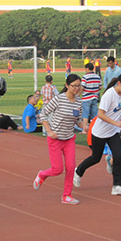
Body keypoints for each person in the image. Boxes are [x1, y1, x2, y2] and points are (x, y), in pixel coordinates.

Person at [73, 73, 121, 196]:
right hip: (100, 132)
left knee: (118, 156)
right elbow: (100, 114)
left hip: (114, 132)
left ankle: (117, 186)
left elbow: (119, 110)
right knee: (95, 157)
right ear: (119, 83)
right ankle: (78, 171)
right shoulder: (109, 95)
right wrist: (116, 123)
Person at [33, 73, 84, 204]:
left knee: (71, 167)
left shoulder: (79, 102)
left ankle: (66, 195)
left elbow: (78, 120)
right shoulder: (59, 99)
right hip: (55, 139)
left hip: (69, 139)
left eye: (79, 86)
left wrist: (84, 126)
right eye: (74, 86)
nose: (76, 88)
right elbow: (43, 113)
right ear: (67, 85)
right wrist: (49, 131)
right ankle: (42, 175)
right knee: (57, 169)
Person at [81, 62, 102, 129]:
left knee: (85, 114)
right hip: (95, 97)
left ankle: (85, 128)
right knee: (94, 115)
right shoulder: (97, 76)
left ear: (87, 68)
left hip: (86, 98)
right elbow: (100, 87)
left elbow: (82, 87)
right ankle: (94, 128)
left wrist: (78, 94)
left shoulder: (85, 77)